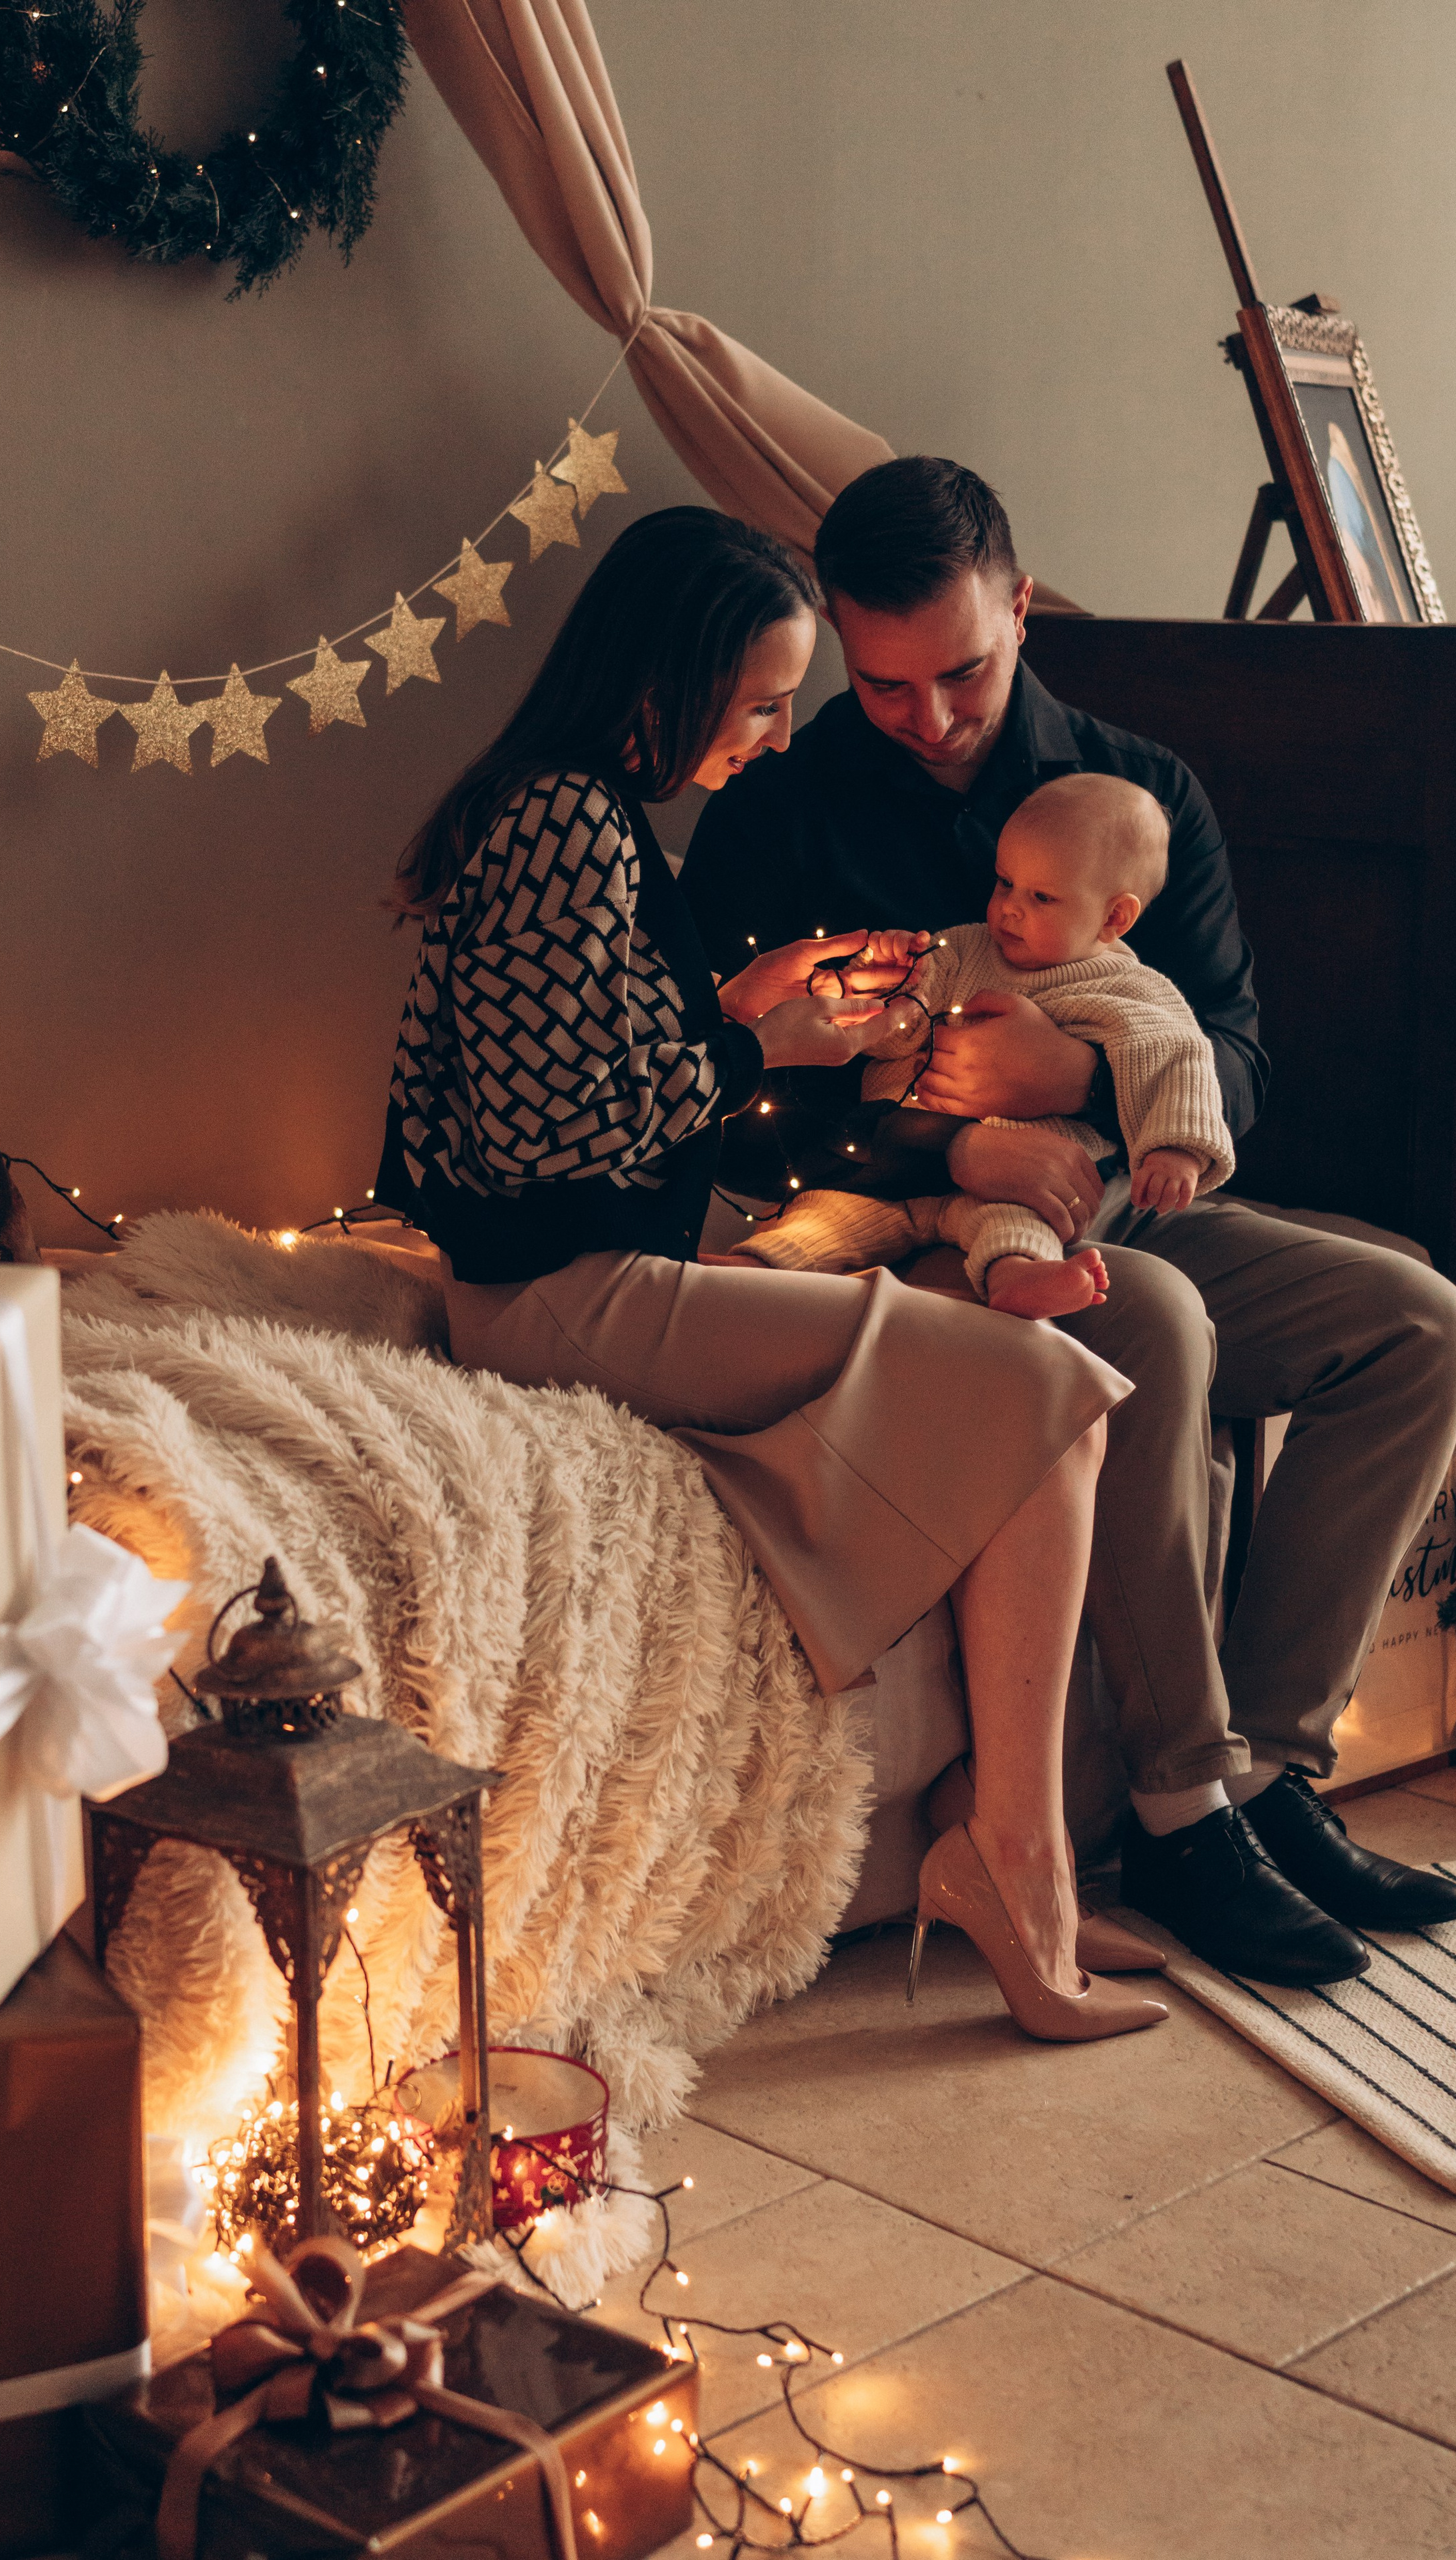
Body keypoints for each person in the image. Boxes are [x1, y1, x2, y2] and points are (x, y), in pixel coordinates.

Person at [375, 505, 1164, 2045]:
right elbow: (555, 1135)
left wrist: (738, 994)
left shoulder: (579, 814)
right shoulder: (561, 823)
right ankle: (1013, 1859)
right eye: (755, 700)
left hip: (595, 1263)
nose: (769, 732)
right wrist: (760, 1043)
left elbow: (590, 1045)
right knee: (1048, 1390)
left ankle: (1012, 1854)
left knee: (1047, 1389)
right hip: (560, 1286)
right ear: (666, 678)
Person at [682, 455, 1456, 1986]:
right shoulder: (777, 814)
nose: (926, 715)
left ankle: (1264, 1771)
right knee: (1149, 1319)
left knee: (1416, 1325)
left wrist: (1086, 1076)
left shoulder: (1136, 793)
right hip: (900, 1230)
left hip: (1123, 1201)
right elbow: (727, 1101)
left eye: (959, 670)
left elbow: (1234, 1059)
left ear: (1019, 607)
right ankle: (1179, 1815)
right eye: (884, 681)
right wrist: (960, 1137)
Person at [732, 771, 1233, 1319]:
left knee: (1019, 1226)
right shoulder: (966, 947)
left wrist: (1176, 1150)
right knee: (821, 1216)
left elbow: (1180, 1063)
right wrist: (886, 980)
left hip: (1017, 1185)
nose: (1010, 909)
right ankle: (757, 1268)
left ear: (1115, 917)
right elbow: (894, 1033)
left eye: (1042, 897)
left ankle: (1019, 1278)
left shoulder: (1130, 992)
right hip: (891, 1168)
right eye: (1004, 883)